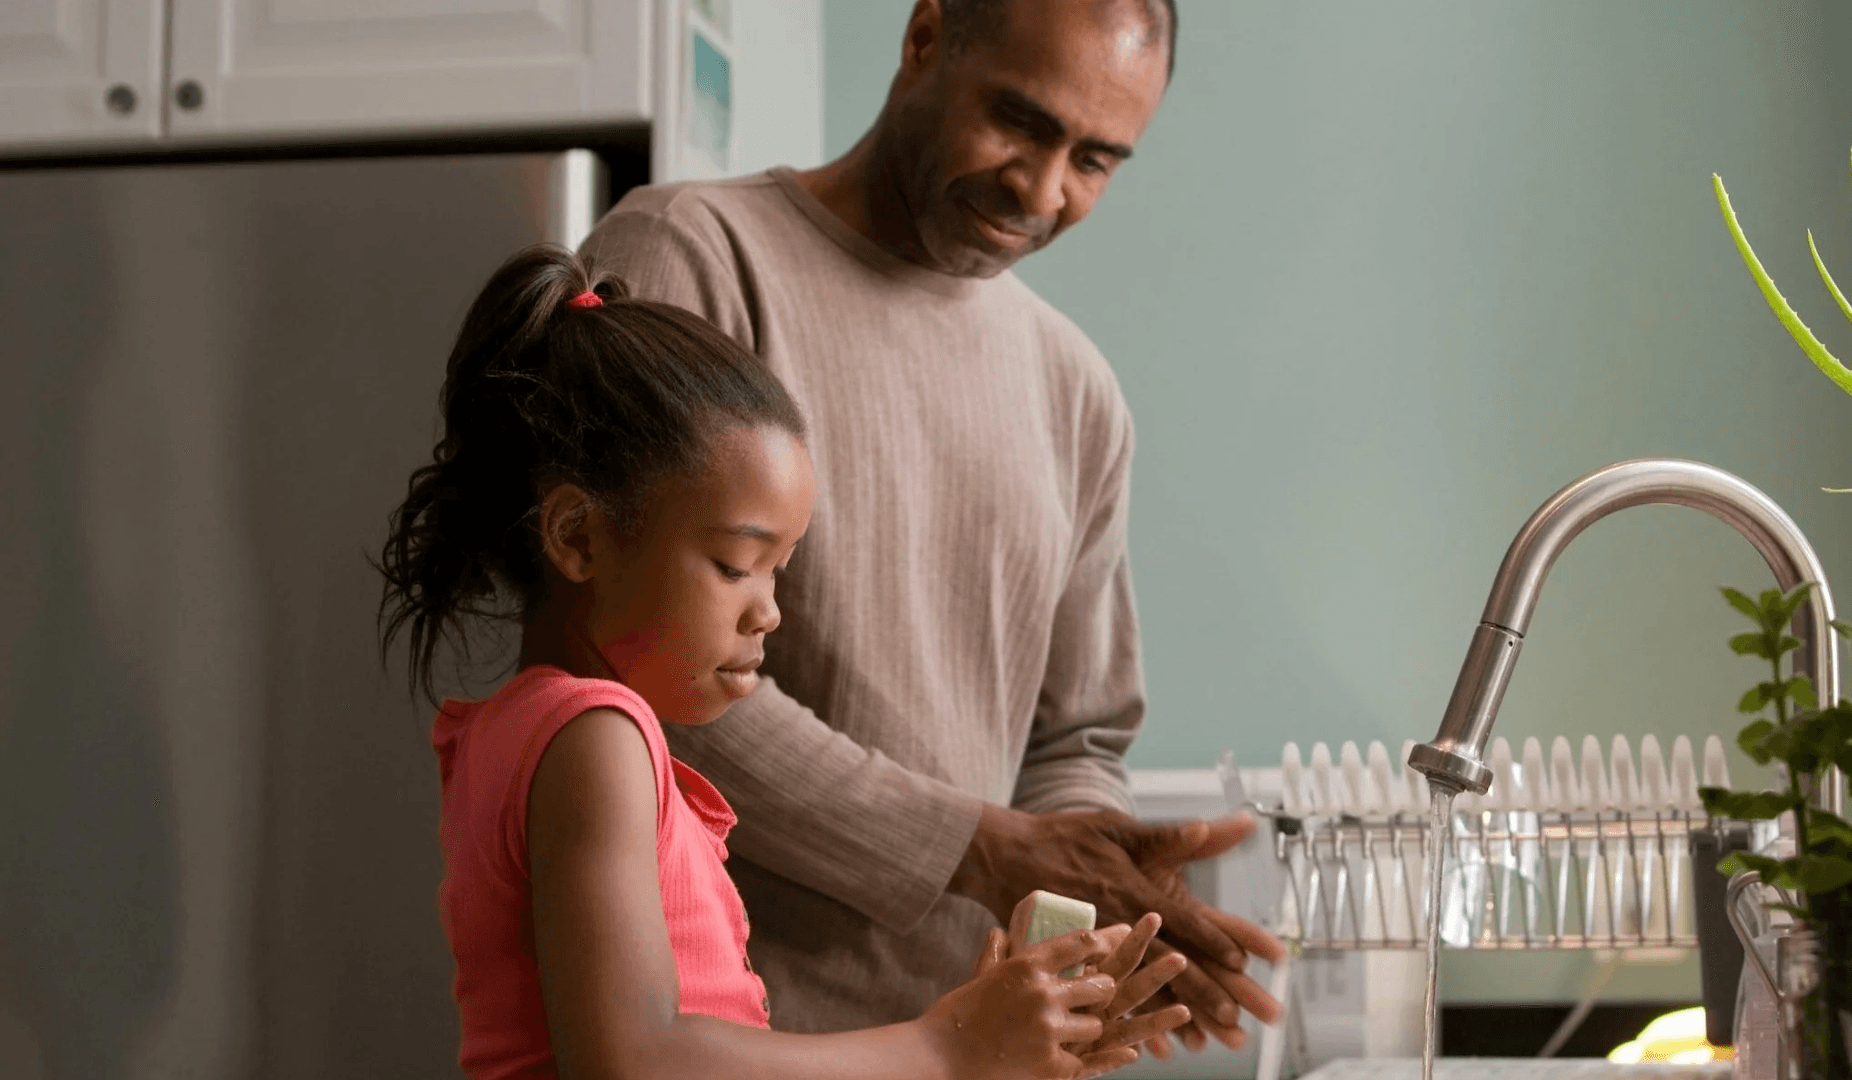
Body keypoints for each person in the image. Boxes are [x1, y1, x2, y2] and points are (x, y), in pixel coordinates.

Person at [577, 0, 1282, 1057]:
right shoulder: (693, 256)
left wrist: (1090, 908)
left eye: (1095, 160)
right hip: (719, 1047)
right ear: (923, 40)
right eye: (1019, 122)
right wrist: (980, 850)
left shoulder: (1075, 390)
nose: (1042, 191)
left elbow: (1076, 736)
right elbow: (626, 658)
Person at [378, 246, 1191, 1079]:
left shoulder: (524, 732)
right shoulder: (594, 736)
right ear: (578, 537)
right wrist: (945, 1045)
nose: (769, 611)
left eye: (780, 570)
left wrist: (990, 1047)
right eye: (735, 565)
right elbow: (637, 1059)